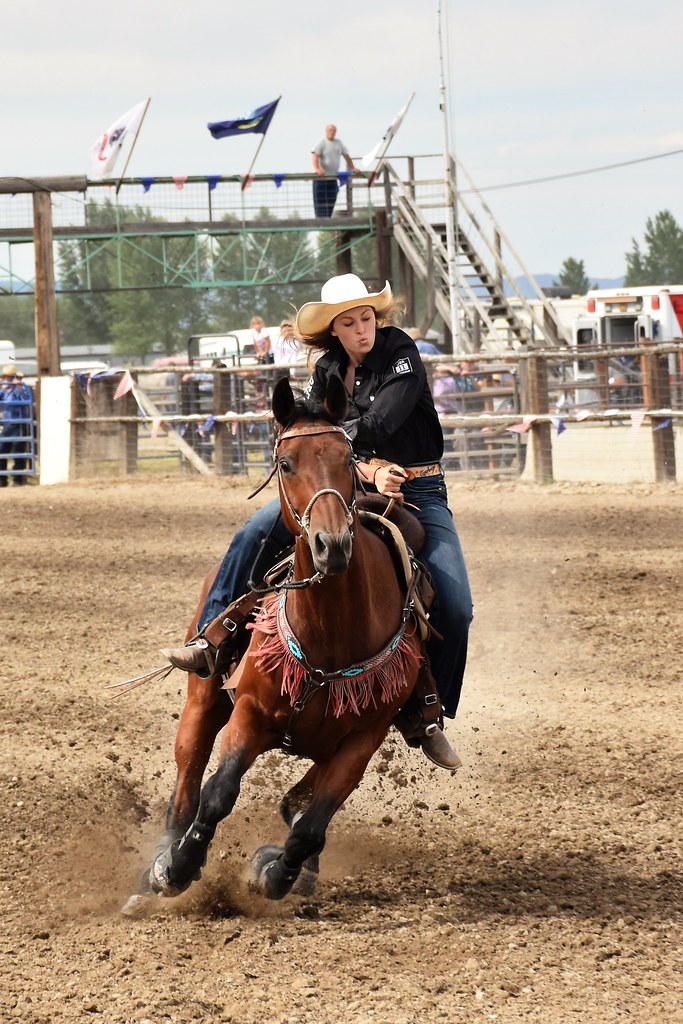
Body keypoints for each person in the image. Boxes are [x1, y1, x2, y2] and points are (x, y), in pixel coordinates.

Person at [163, 274, 473, 770]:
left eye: (366, 318)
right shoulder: (328, 368)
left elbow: (380, 422)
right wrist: (354, 462)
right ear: (334, 330)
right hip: (339, 483)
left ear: (377, 318)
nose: (361, 329)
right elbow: (303, 427)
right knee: (253, 534)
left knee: (456, 605)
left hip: (417, 487)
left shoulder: (401, 353)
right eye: (349, 323)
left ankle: (428, 712)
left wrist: (334, 443)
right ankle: (212, 634)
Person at [312, 124, 361, 218]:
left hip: (332, 177)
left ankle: (327, 220)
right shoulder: (321, 142)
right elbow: (315, 155)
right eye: (330, 130)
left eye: (334, 130)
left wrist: (353, 167)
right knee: (320, 203)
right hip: (321, 178)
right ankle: (320, 221)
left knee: (332, 199)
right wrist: (317, 169)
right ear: (326, 131)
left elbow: (346, 156)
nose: (332, 132)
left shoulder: (339, 143)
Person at [0, 365, 32, 486]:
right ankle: (2, 479)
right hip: (7, 424)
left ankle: (17, 480)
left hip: (18, 423)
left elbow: (26, 398)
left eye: (6, 377)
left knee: (17, 453)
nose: (4, 378)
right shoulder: (5, 391)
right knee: (2, 451)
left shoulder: (20, 389)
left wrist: (18, 386)